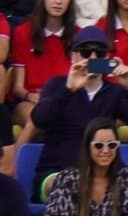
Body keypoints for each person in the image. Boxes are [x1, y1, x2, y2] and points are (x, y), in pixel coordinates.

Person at [32, 26, 128, 193]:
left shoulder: (114, 91)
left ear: (107, 57)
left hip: (101, 173)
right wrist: (68, 90)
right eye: (86, 52)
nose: (93, 57)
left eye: (99, 52)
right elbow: (39, 120)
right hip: (56, 171)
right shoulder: (57, 85)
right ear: (74, 56)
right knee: (68, 185)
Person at [11, 0, 79, 142]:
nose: (58, 2)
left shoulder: (78, 34)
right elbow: (18, 88)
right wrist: (31, 96)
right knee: (38, 116)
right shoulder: (23, 32)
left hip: (66, 100)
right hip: (31, 101)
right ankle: (13, 163)